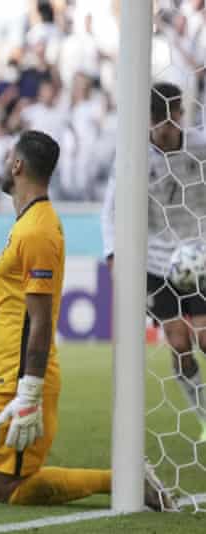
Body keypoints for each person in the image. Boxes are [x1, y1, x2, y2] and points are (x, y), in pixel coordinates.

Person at [0, 130, 171, 510]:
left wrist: (29, 389)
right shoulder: (29, 222)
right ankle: (123, 479)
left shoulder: (38, 231)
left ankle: (122, 480)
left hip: (19, 374)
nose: (2, 164)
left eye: (7, 157)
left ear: (17, 165)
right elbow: (16, 306)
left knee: (7, 490)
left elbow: (41, 320)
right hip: (4, 365)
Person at [101, 82, 206, 443]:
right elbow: (111, 211)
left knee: (205, 339)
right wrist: (114, 253)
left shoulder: (199, 146)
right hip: (158, 261)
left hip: (200, 254)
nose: (165, 128)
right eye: (158, 120)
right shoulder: (132, 154)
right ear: (146, 120)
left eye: (171, 118)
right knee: (179, 342)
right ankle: (203, 412)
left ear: (180, 114)